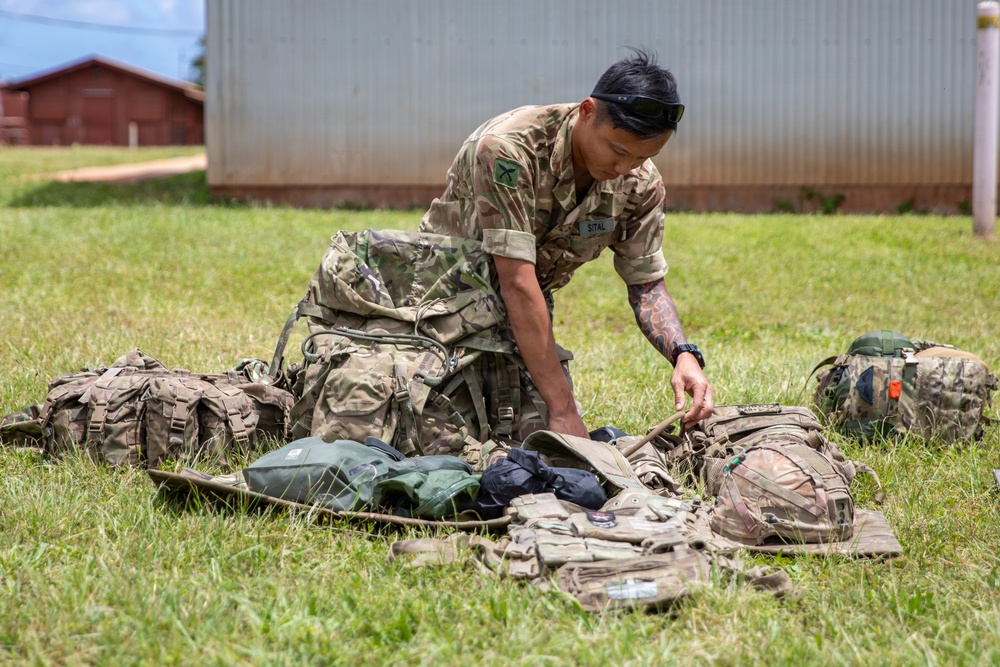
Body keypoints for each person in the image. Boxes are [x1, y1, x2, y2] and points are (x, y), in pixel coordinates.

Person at [418, 48, 713, 441]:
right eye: (618, 150)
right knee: (440, 441)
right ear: (587, 111)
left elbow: (646, 285)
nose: (623, 168)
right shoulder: (509, 150)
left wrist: (683, 355)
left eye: (644, 156)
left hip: (520, 317)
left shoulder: (640, 183)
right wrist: (563, 408)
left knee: (538, 445)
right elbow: (517, 281)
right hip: (438, 307)